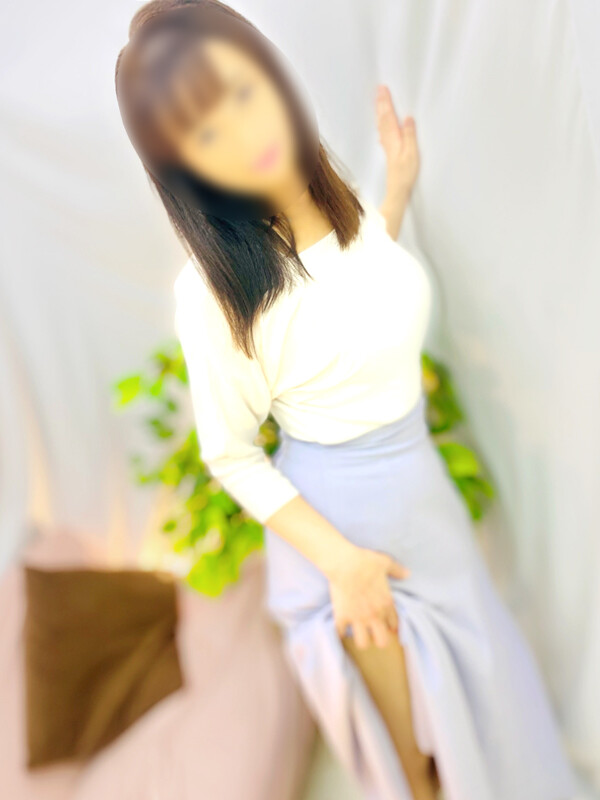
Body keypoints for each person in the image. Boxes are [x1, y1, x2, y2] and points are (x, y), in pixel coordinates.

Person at [114, 2, 578, 798]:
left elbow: (350, 296)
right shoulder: (214, 296)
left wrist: (396, 190)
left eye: (243, 93)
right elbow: (230, 454)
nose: (244, 133)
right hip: (347, 525)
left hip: (419, 487)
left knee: (485, 686)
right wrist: (343, 564)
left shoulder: (337, 201)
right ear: (187, 168)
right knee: (420, 753)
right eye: (208, 135)